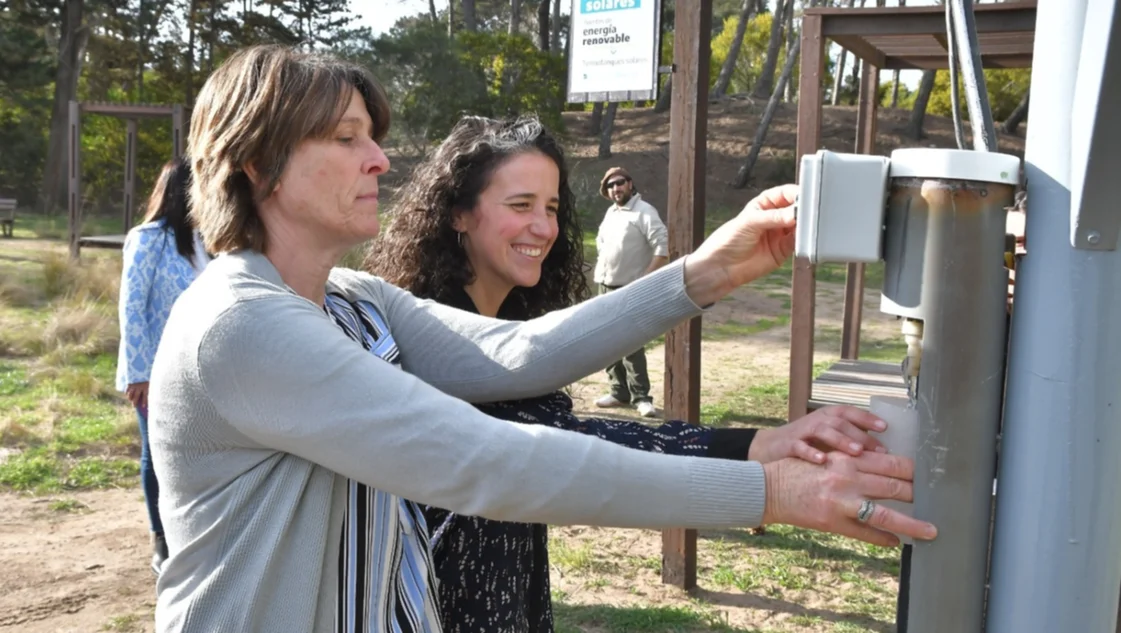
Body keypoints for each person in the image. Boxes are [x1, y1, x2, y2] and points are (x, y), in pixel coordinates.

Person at [148, 44, 936, 633]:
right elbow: (487, 458)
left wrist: (710, 270)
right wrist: (771, 491)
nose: (380, 159)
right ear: (259, 162)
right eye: (346, 138)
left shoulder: (351, 300)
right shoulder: (238, 323)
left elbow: (518, 355)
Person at [368, 114, 905, 632]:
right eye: (520, 204)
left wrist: (763, 443)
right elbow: (571, 447)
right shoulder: (420, 337)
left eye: (552, 207)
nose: (544, 226)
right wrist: (763, 461)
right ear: (458, 213)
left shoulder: (508, 313)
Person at [114, 157, 208, 576]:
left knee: (197, 452)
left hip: (200, 370)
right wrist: (138, 373)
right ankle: (161, 537)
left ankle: (192, 529)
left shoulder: (209, 241)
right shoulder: (147, 238)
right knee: (157, 453)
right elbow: (131, 307)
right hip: (154, 372)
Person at [592, 166, 668, 417]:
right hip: (605, 286)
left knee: (631, 343)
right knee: (608, 342)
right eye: (611, 186)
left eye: (620, 182)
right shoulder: (611, 213)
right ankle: (618, 392)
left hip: (630, 288)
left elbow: (663, 248)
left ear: (630, 183)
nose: (616, 188)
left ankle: (641, 397)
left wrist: (645, 280)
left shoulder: (644, 212)